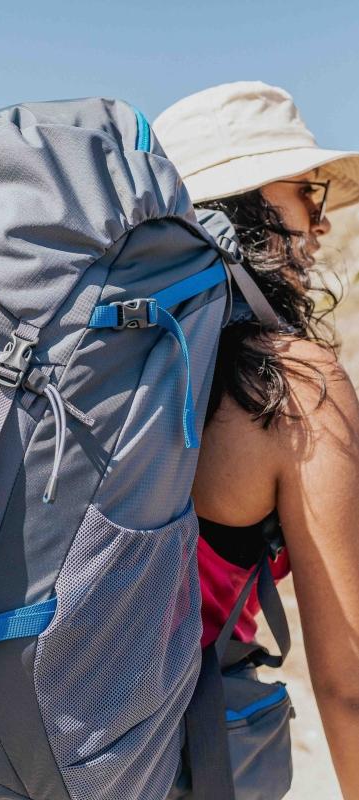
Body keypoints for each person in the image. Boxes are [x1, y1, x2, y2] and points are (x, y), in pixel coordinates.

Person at [153, 81, 359, 798]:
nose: (320, 224)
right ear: (250, 207)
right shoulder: (292, 384)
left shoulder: (105, 356)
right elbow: (347, 682)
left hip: (17, 740)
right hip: (165, 757)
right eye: (307, 194)